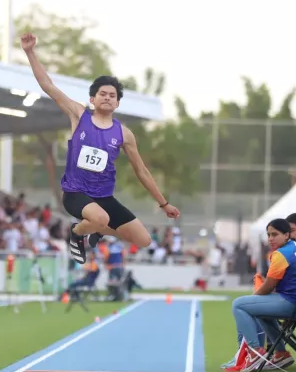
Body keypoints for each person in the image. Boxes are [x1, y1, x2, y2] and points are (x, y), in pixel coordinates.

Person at [20, 33, 180, 264]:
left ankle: (98, 229)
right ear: (93, 99)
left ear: (117, 103)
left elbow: (142, 172)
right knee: (100, 218)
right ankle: (76, 233)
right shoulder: (78, 115)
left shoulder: (124, 134)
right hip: (76, 193)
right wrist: (30, 52)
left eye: (112, 95)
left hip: (104, 197)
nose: (107, 98)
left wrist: (164, 204)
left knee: (143, 240)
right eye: (102, 94)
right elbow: (48, 85)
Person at [231, 219, 296, 372]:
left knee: (238, 305)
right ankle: (281, 354)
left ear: (286, 235)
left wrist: (254, 298)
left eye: (275, 234)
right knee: (260, 311)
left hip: (295, 304)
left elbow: (268, 287)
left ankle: (255, 352)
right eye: (268, 235)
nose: (270, 238)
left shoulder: (280, 254)